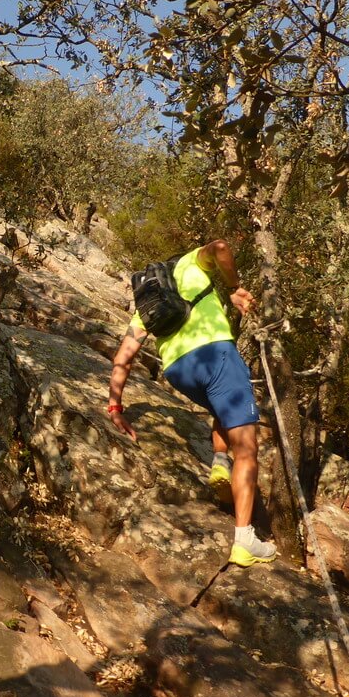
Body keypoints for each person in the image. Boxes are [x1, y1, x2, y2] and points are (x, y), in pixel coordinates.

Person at [106, 237, 276, 567]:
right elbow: (222, 247)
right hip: (216, 353)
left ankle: (219, 461)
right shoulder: (192, 263)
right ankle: (245, 540)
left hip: (178, 370)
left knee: (222, 408)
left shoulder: (149, 306)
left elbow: (123, 358)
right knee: (248, 447)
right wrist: (234, 288)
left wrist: (115, 408)